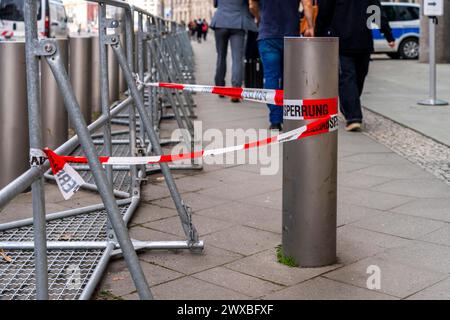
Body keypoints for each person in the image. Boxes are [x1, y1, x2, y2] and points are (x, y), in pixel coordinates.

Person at [315, 0, 395, 132]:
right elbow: (324, 13)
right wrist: (319, 37)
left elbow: (376, 11)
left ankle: (348, 107)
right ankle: (354, 117)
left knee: (358, 79)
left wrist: (388, 34)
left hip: (363, 43)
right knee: (348, 78)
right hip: (342, 43)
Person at [249, 0, 315, 131]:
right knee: (290, 77)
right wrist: (310, 26)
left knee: (271, 77)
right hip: (291, 34)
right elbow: (307, 4)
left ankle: (275, 120)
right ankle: (289, 116)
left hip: (268, 35)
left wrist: (260, 18)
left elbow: (252, 5)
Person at [211, 0, 258, 102]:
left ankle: (220, 88)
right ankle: (235, 92)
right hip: (238, 23)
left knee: (221, 56)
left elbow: (215, 4)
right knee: (238, 58)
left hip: (221, 22)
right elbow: (252, 4)